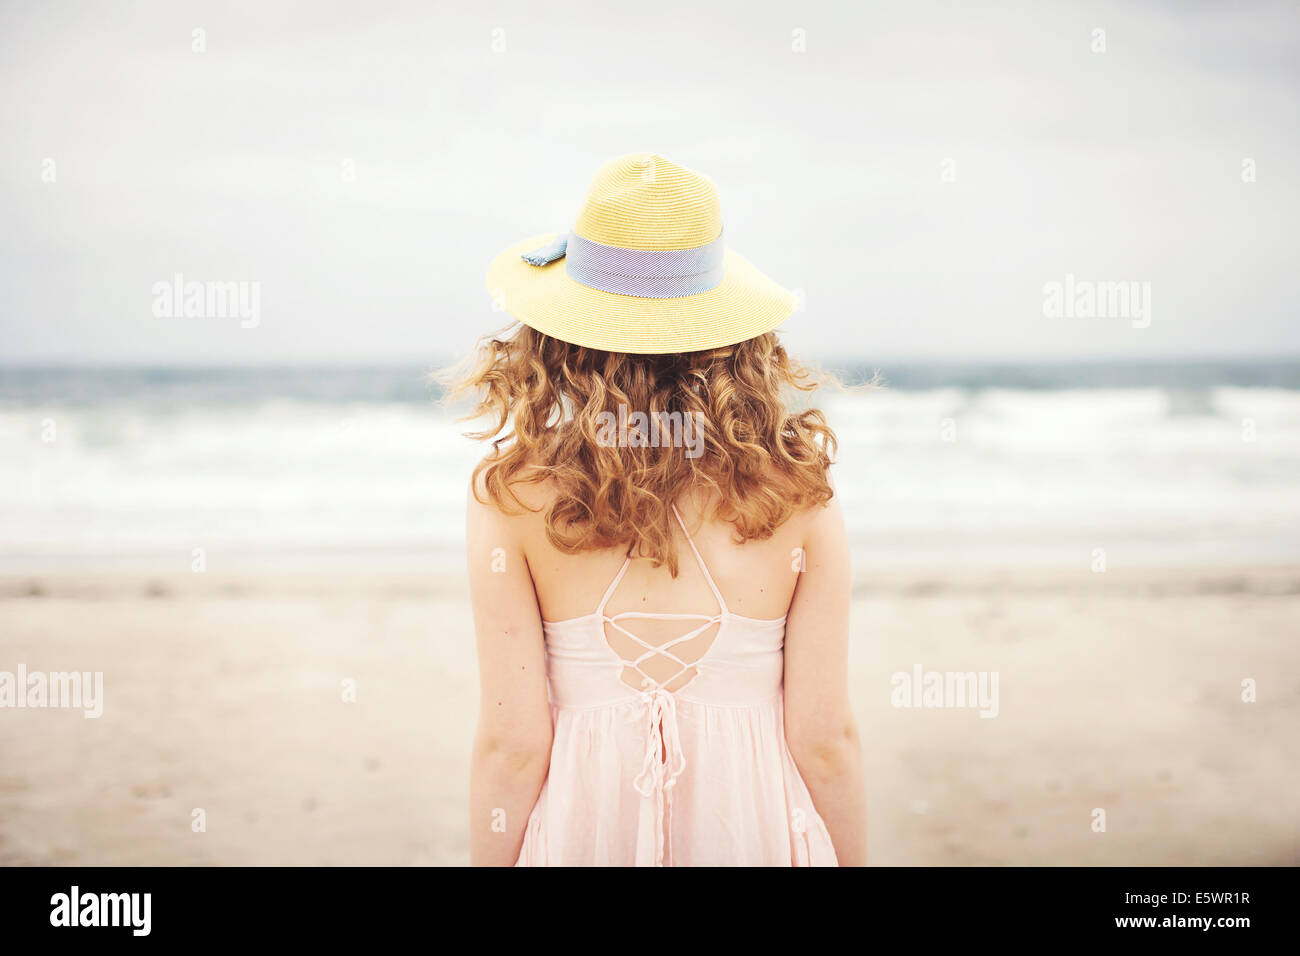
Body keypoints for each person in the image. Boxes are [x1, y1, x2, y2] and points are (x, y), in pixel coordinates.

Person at [450, 154, 866, 866]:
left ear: (558, 339)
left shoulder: (513, 496)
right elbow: (825, 743)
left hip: (586, 831)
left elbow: (513, 749)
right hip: (755, 832)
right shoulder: (797, 496)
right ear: (736, 336)